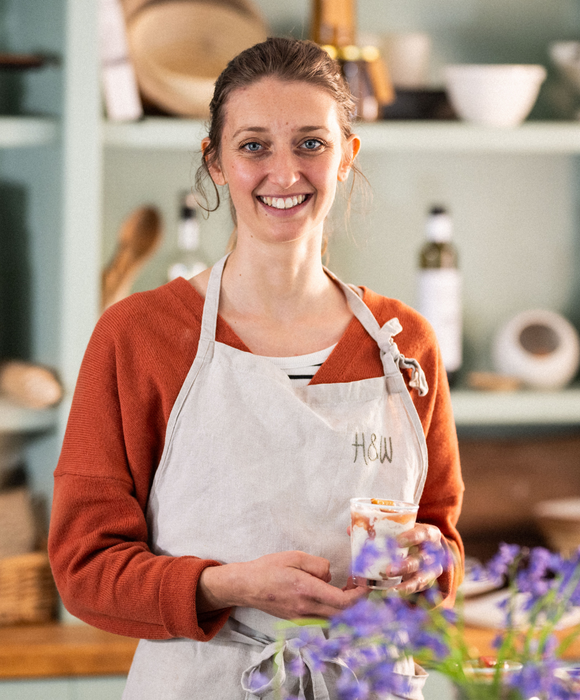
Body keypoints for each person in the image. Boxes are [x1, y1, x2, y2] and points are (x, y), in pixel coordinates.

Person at [48, 37, 464, 700]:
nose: (285, 171)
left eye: (311, 143)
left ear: (347, 156)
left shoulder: (405, 343)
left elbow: (441, 535)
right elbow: (84, 569)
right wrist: (228, 585)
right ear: (214, 161)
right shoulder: (140, 335)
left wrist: (428, 562)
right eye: (252, 146)